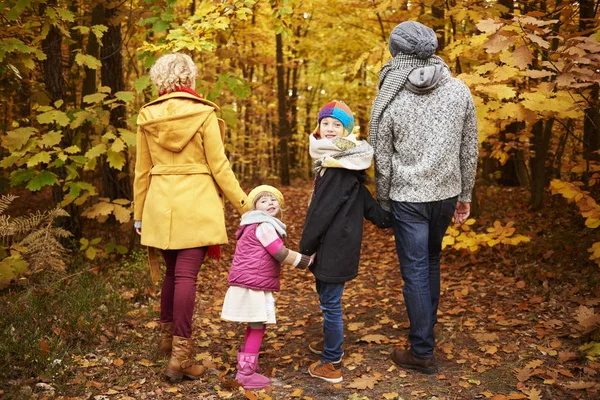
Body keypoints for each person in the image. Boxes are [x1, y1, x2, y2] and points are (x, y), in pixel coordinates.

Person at [369, 21, 479, 374]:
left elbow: (381, 155)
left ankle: (421, 349)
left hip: (407, 197)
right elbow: (469, 148)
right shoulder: (458, 89)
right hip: (446, 194)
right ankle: (425, 335)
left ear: (396, 52)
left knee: (416, 269)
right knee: (431, 261)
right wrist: (466, 194)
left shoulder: (391, 94)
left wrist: (383, 201)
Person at [133, 53, 249, 383]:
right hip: (195, 202)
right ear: (190, 78)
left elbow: (142, 169)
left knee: (173, 272)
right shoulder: (203, 113)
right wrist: (246, 205)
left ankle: (168, 340)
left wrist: (139, 212)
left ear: (159, 80)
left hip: (159, 202)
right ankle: (179, 358)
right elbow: (220, 166)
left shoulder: (148, 115)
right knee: (186, 276)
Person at [299, 101, 392, 383]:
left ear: (346, 130)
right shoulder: (345, 163)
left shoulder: (337, 167)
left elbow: (321, 212)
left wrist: (305, 248)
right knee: (329, 299)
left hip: (333, 247)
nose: (329, 128)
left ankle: (332, 362)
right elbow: (369, 206)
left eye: (337, 125)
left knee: (330, 304)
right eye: (325, 123)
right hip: (340, 246)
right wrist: (388, 218)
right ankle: (331, 344)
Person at [221, 185, 312, 389]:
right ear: (254, 207)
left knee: (254, 324)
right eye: (263, 200)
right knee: (257, 325)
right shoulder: (263, 225)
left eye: (273, 199)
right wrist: (306, 261)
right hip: (252, 284)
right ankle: (245, 373)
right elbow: (279, 253)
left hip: (250, 281)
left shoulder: (253, 224)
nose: (270, 203)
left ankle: (246, 364)